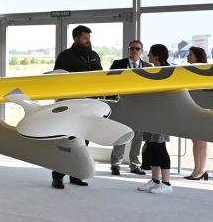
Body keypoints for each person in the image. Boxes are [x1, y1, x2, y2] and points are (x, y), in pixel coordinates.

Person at [51, 25, 102, 189]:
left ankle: (76, 175)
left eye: (89, 38)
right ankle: (57, 176)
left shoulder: (94, 56)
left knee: (83, 144)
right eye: (85, 38)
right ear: (76, 39)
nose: (88, 41)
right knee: (67, 144)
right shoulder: (65, 56)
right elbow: (57, 80)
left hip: (89, 107)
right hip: (71, 107)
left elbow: (100, 77)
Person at [108, 41, 150, 175]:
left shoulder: (148, 67)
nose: (134, 51)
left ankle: (135, 165)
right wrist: (112, 99)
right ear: (128, 50)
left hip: (140, 107)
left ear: (141, 51)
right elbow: (109, 81)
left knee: (138, 138)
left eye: (137, 49)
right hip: (122, 104)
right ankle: (115, 164)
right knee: (121, 135)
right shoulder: (118, 64)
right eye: (132, 48)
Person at [137, 44, 174, 195]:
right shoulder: (154, 70)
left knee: (160, 148)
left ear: (156, 56)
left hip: (162, 116)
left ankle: (166, 183)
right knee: (152, 147)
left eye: (150, 54)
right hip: (151, 115)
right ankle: (155, 180)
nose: (148, 56)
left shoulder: (168, 71)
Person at [184, 46, 210, 180]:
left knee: (201, 141)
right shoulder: (190, 70)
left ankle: (202, 169)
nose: (187, 56)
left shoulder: (203, 70)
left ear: (197, 57)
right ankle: (197, 169)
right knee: (196, 141)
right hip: (194, 108)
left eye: (190, 54)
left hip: (202, 108)